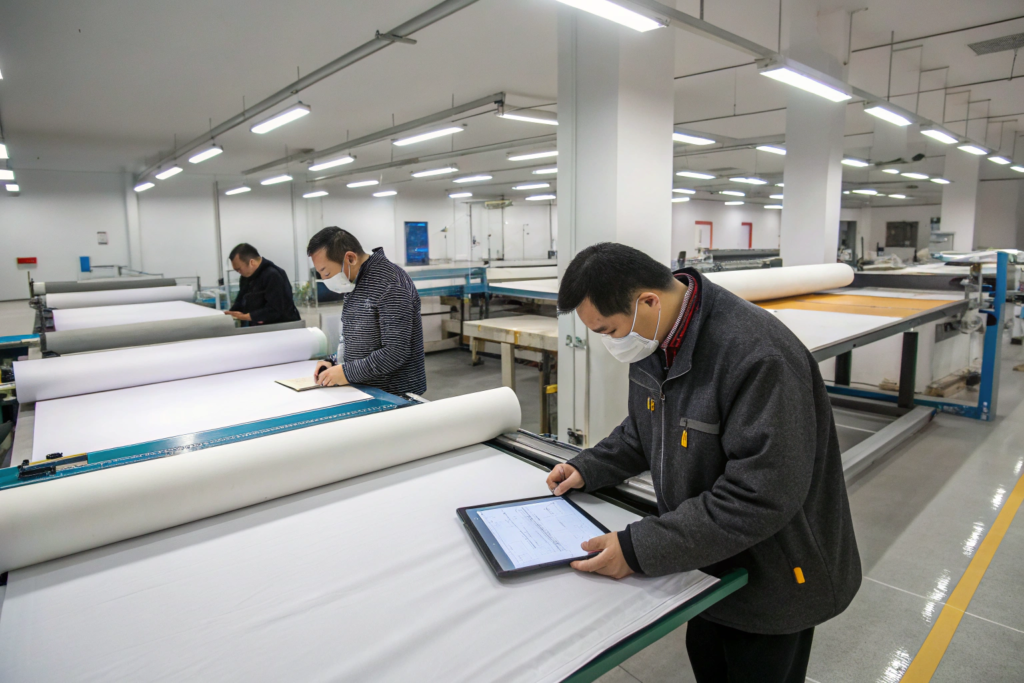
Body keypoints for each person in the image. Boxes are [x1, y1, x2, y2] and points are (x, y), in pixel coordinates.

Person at [547, 242, 860, 683]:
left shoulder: (759, 356)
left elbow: (760, 495)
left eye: (608, 330)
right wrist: (590, 467)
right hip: (705, 559)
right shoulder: (654, 338)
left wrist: (638, 549)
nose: (609, 342)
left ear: (648, 302)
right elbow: (645, 428)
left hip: (773, 580)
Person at [307, 227, 426, 396]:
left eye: (326, 273)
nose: (325, 280)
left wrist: (346, 373)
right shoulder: (356, 281)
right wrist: (333, 361)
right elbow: (355, 338)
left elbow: (395, 352)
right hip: (364, 389)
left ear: (350, 258)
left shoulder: (390, 283)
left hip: (394, 394)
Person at [226, 243, 301, 325]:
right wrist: (228, 314)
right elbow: (241, 301)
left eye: (239, 269)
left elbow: (276, 309)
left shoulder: (273, 275)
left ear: (252, 262)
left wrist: (247, 317)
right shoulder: (246, 277)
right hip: (259, 326)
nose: (238, 272)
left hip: (282, 326)